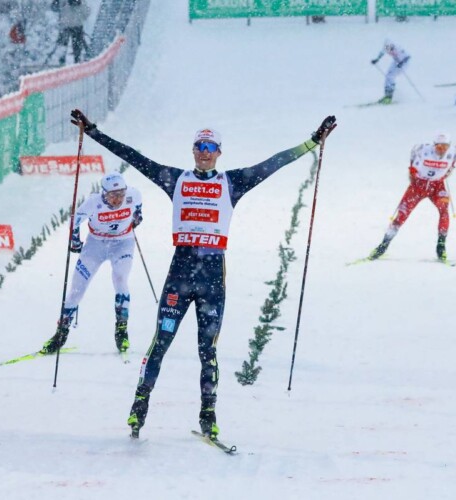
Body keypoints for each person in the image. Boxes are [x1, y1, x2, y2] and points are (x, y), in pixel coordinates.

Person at [69, 109, 337, 440]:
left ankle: (208, 414)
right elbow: (134, 157)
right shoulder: (176, 179)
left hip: (212, 277)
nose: (204, 153)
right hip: (180, 273)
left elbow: (274, 163)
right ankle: (140, 406)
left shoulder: (232, 182)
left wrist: (313, 142)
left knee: (207, 349)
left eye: (210, 148)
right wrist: (93, 132)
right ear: (193, 150)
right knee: (160, 343)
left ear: (219, 153)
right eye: (199, 147)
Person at [41, 172, 143, 355]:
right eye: (113, 195)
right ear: (104, 193)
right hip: (96, 244)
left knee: (120, 279)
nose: (118, 199)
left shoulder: (133, 195)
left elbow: (138, 208)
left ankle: (121, 330)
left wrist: (137, 218)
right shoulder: (93, 202)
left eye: (121, 194)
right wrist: (75, 241)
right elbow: (74, 221)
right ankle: (61, 334)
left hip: (123, 243)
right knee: (76, 290)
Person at [369, 132, 456, 263]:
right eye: (439, 147)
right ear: (434, 146)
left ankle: (441, 246)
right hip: (418, 186)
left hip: (437, 186)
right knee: (402, 215)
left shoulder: (454, 152)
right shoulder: (424, 150)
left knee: (444, 211)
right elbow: (414, 151)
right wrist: (411, 170)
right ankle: (383, 245)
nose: (442, 151)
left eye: (445, 147)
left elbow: (453, 162)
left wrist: (447, 172)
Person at [370, 38, 411, 105]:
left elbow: (408, 57)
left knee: (390, 76)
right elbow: (382, 52)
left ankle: (389, 97)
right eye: (388, 48)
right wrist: (377, 59)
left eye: (391, 48)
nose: (389, 49)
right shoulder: (387, 47)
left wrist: (402, 63)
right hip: (396, 61)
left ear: (392, 45)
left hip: (404, 62)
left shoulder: (398, 48)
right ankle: (387, 96)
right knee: (388, 76)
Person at [51, 0, 90, 65]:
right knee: (76, 49)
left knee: (62, 48)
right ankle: (76, 63)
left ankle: (62, 64)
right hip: (76, 26)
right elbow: (87, 12)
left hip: (66, 26)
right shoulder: (82, 3)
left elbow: (54, 7)